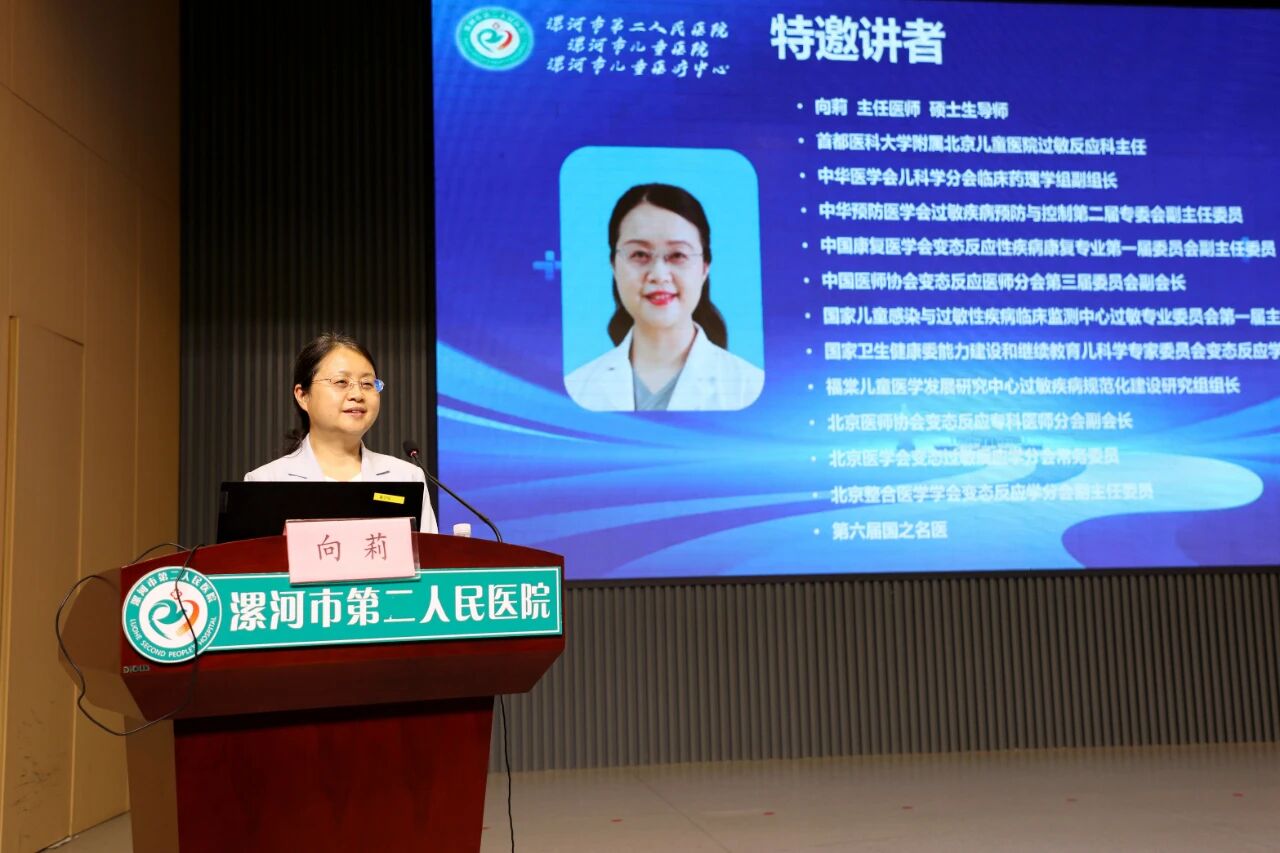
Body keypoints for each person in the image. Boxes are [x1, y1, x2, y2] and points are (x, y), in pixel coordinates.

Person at [564, 183, 764, 412]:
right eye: (639, 254)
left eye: (678, 254)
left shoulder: (748, 387)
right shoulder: (578, 389)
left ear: (705, 267)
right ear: (613, 265)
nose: (659, 275)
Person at [245, 332, 439, 533]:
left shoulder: (406, 477)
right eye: (341, 382)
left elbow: (429, 553)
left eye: (367, 384)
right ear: (303, 395)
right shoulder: (263, 483)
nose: (357, 394)